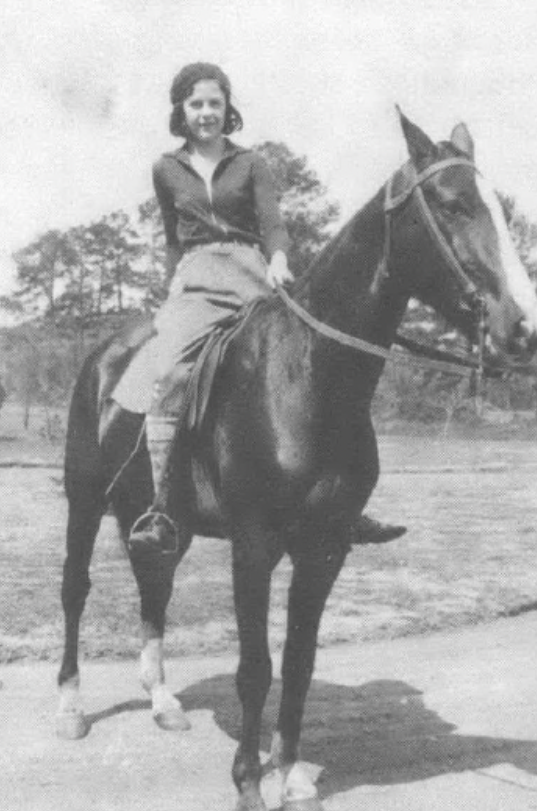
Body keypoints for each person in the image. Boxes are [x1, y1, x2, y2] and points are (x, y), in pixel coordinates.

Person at [111, 62, 404, 556]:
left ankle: (342, 500)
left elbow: (272, 223)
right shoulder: (166, 169)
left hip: (252, 276)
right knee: (161, 373)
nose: (206, 113)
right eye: (196, 104)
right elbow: (170, 239)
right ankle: (165, 506)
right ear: (181, 111)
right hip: (198, 281)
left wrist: (280, 259)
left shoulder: (252, 164)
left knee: (311, 365)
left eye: (214, 104)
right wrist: (172, 290)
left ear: (228, 110)